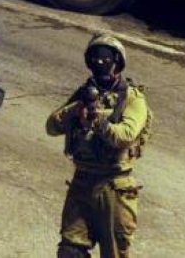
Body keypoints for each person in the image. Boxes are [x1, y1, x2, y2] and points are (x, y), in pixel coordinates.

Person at [47, 35, 150, 258]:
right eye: (95, 57)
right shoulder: (83, 94)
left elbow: (126, 135)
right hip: (82, 181)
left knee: (114, 252)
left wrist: (98, 121)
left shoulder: (132, 97)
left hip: (113, 186)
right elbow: (51, 126)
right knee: (69, 251)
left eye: (105, 57)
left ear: (117, 61)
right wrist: (74, 111)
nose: (99, 62)